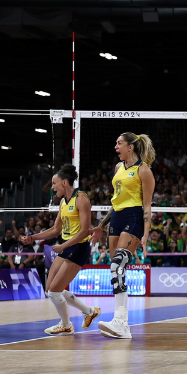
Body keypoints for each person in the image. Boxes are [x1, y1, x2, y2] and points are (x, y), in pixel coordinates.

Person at [19, 165, 101, 335]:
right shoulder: (64, 202)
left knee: (55, 291)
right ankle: (89, 311)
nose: (52, 187)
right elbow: (56, 230)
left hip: (78, 247)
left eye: (54, 183)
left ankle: (66, 324)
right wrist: (32, 238)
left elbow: (85, 230)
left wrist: (64, 245)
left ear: (64, 183)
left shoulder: (82, 198)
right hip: (66, 246)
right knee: (51, 290)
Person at [92, 132, 156, 340]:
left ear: (131, 147)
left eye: (119, 143)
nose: (116, 147)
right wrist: (102, 225)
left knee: (117, 265)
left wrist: (145, 234)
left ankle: (120, 321)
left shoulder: (143, 170)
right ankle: (123, 325)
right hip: (117, 218)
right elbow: (115, 201)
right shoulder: (119, 169)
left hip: (134, 217)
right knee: (116, 270)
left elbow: (147, 205)